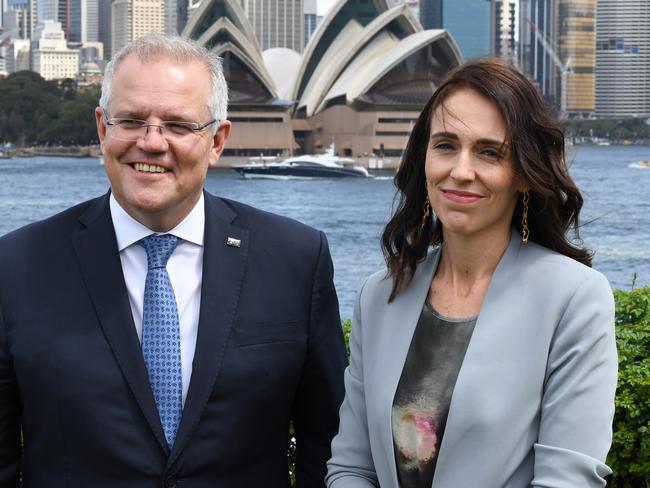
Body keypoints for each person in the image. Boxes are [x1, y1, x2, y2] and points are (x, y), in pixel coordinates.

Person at [0, 34, 346, 487]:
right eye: (132, 120)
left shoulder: (294, 260)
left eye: (179, 126)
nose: (152, 142)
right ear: (104, 130)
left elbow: (332, 446)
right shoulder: (17, 266)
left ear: (218, 140)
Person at [326, 59, 618, 487]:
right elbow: (351, 467)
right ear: (423, 159)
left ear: (522, 173)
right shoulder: (380, 296)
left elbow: (567, 479)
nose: (461, 171)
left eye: (488, 151)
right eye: (445, 145)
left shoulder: (573, 298)